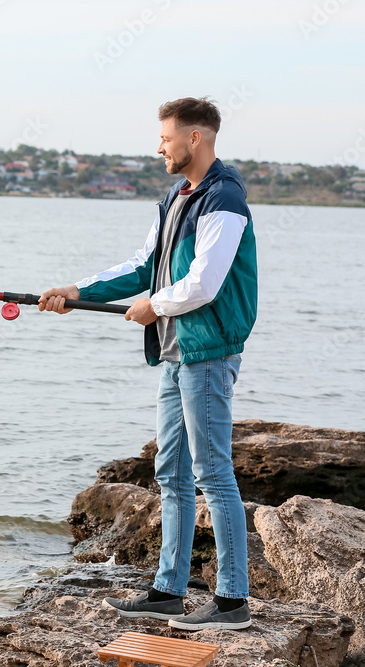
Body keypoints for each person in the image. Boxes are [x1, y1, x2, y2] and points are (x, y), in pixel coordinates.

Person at [39, 97, 258, 631]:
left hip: (207, 352)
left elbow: (204, 283)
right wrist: (77, 291)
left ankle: (232, 601)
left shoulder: (223, 199)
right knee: (171, 473)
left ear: (196, 139)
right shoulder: (177, 197)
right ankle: (168, 589)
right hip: (174, 351)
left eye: (166, 137)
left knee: (213, 474)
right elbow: (145, 265)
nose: (159, 146)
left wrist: (154, 305)